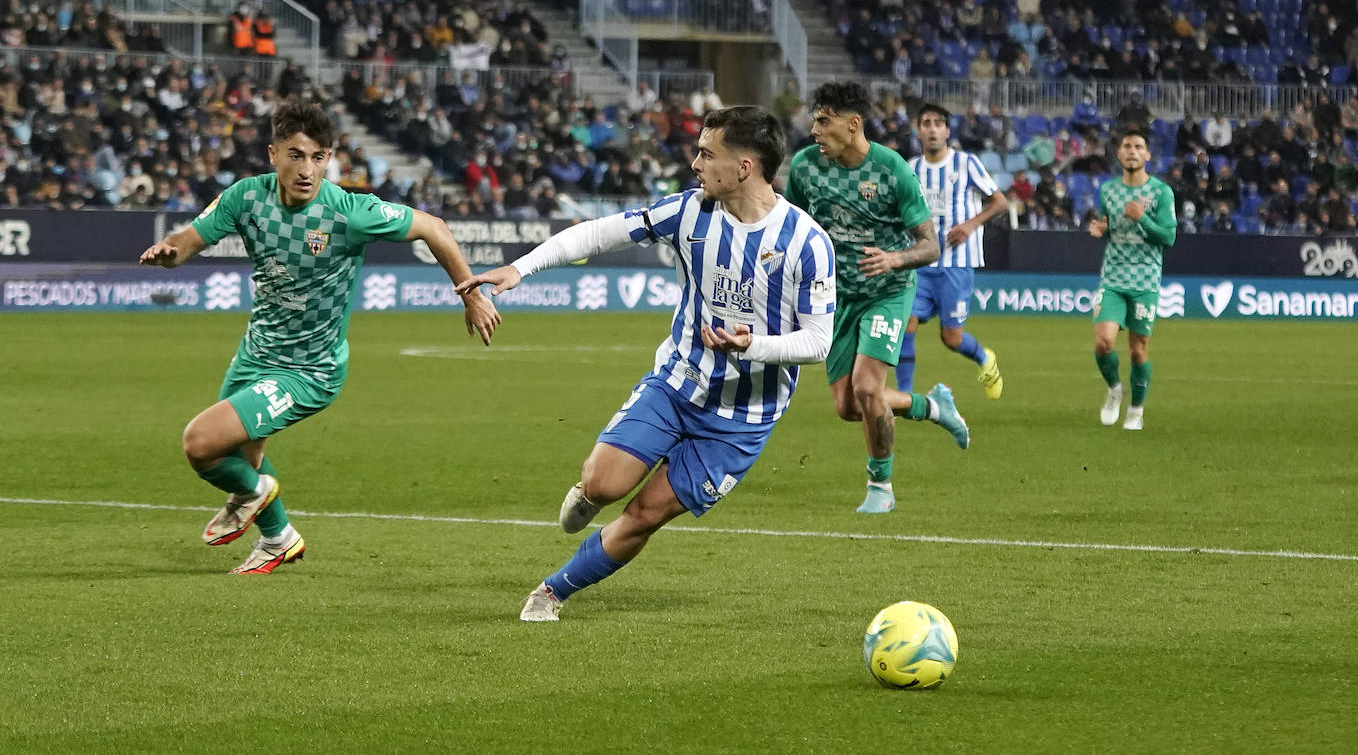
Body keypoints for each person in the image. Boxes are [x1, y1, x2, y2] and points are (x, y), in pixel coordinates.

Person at [455, 106, 836, 622]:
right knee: (604, 486)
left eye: (707, 153)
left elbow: (817, 341)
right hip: (677, 384)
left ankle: (552, 592)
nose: (695, 162)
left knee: (645, 514)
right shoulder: (689, 212)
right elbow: (598, 233)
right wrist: (521, 269)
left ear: (744, 167)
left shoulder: (806, 242)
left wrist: (752, 346)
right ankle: (589, 491)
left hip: (741, 420)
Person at [138, 99, 501, 574]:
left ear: (329, 158)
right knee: (241, 452)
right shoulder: (246, 198)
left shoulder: (349, 212)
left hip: (309, 370)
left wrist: (471, 294)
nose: (307, 169)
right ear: (273, 154)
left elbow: (434, 228)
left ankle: (251, 493)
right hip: (256, 354)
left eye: (317, 157)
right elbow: (186, 243)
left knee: (201, 443)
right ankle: (278, 540)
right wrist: (168, 253)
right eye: (295, 155)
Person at [784, 81, 968, 516]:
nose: (814, 130)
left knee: (869, 388)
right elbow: (792, 228)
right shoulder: (805, 167)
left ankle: (880, 485)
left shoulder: (892, 170)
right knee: (849, 407)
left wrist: (893, 259)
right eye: (814, 120)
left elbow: (930, 246)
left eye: (823, 120)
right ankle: (931, 406)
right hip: (835, 297)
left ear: (853, 124)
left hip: (887, 291)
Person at [900, 103, 1007, 403]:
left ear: (947, 131)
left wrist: (970, 225)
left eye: (938, 123)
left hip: (956, 264)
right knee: (905, 323)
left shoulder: (966, 163)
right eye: (926, 123)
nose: (932, 129)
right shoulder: (911, 169)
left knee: (951, 338)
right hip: (919, 262)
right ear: (918, 130)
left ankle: (985, 359)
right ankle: (904, 397)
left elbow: (999, 202)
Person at [1089, 130, 1177, 431]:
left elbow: (1169, 237)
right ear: (1119, 153)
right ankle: (1114, 390)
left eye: (1139, 147)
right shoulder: (1107, 191)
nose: (1132, 151)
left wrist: (1142, 217)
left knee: (1138, 350)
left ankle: (1136, 409)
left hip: (1145, 282)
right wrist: (1101, 231)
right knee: (1103, 343)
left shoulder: (1162, 192)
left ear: (1148, 155)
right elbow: (1108, 226)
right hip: (1112, 278)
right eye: (1127, 146)